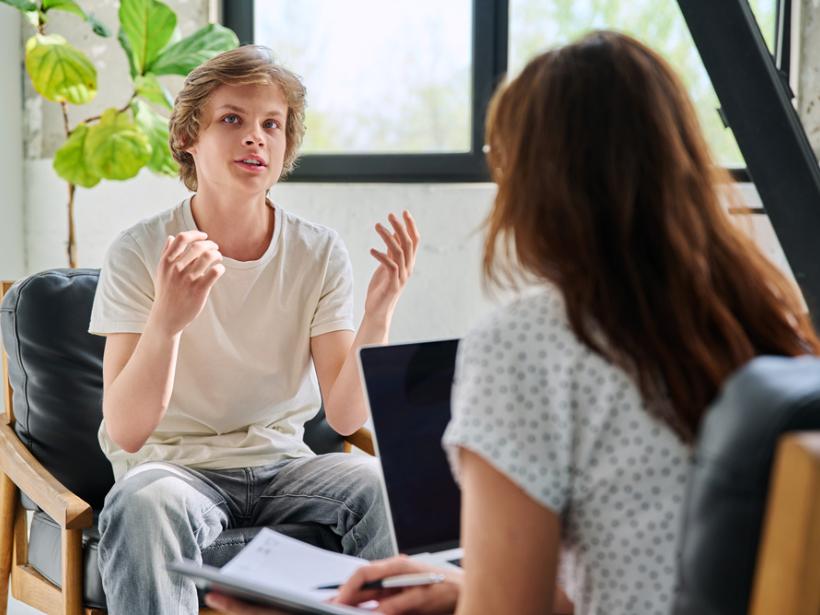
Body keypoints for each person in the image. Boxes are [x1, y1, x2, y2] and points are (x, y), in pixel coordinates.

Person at [205, 30, 819, 615]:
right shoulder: (766, 323)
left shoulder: (530, 341)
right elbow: (647, 583)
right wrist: (458, 592)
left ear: (533, 178)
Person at [89, 45, 419, 615]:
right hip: (174, 472)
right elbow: (127, 431)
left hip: (285, 468)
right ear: (188, 137)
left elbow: (344, 418)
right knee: (144, 503)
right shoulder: (142, 251)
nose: (255, 137)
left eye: (272, 124)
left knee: (378, 482)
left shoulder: (318, 252)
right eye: (232, 119)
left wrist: (379, 312)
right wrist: (168, 321)